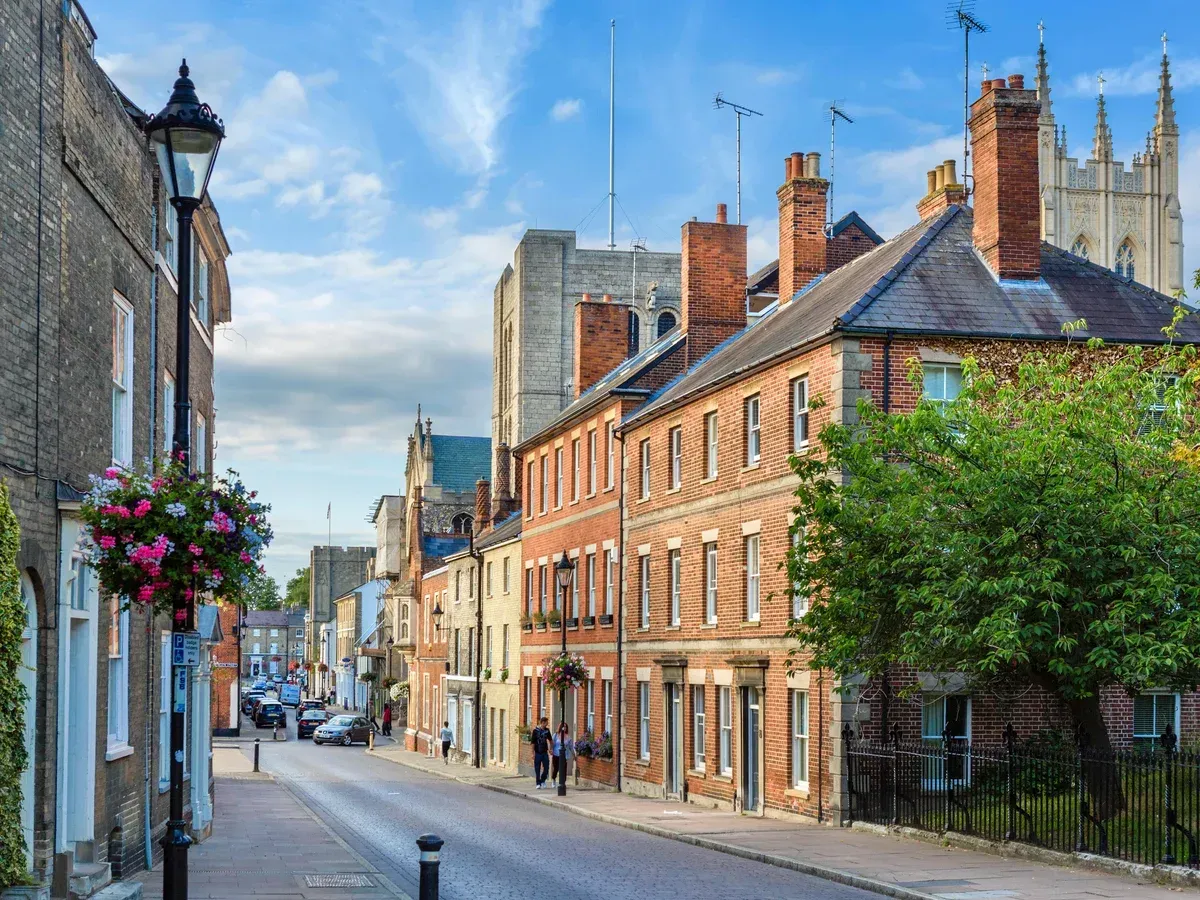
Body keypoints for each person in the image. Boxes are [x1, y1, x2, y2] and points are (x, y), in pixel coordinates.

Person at [530, 716, 552, 789]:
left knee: (546, 768)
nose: (547, 724)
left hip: (544, 752)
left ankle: (542, 780)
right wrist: (532, 753)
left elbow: (551, 740)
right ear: (542, 723)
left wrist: (550, 749)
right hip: (538, 752)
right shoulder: (535, 731)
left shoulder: (547, 731)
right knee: (537, 768)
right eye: (546, 723)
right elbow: (533, 742)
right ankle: (538, 783)